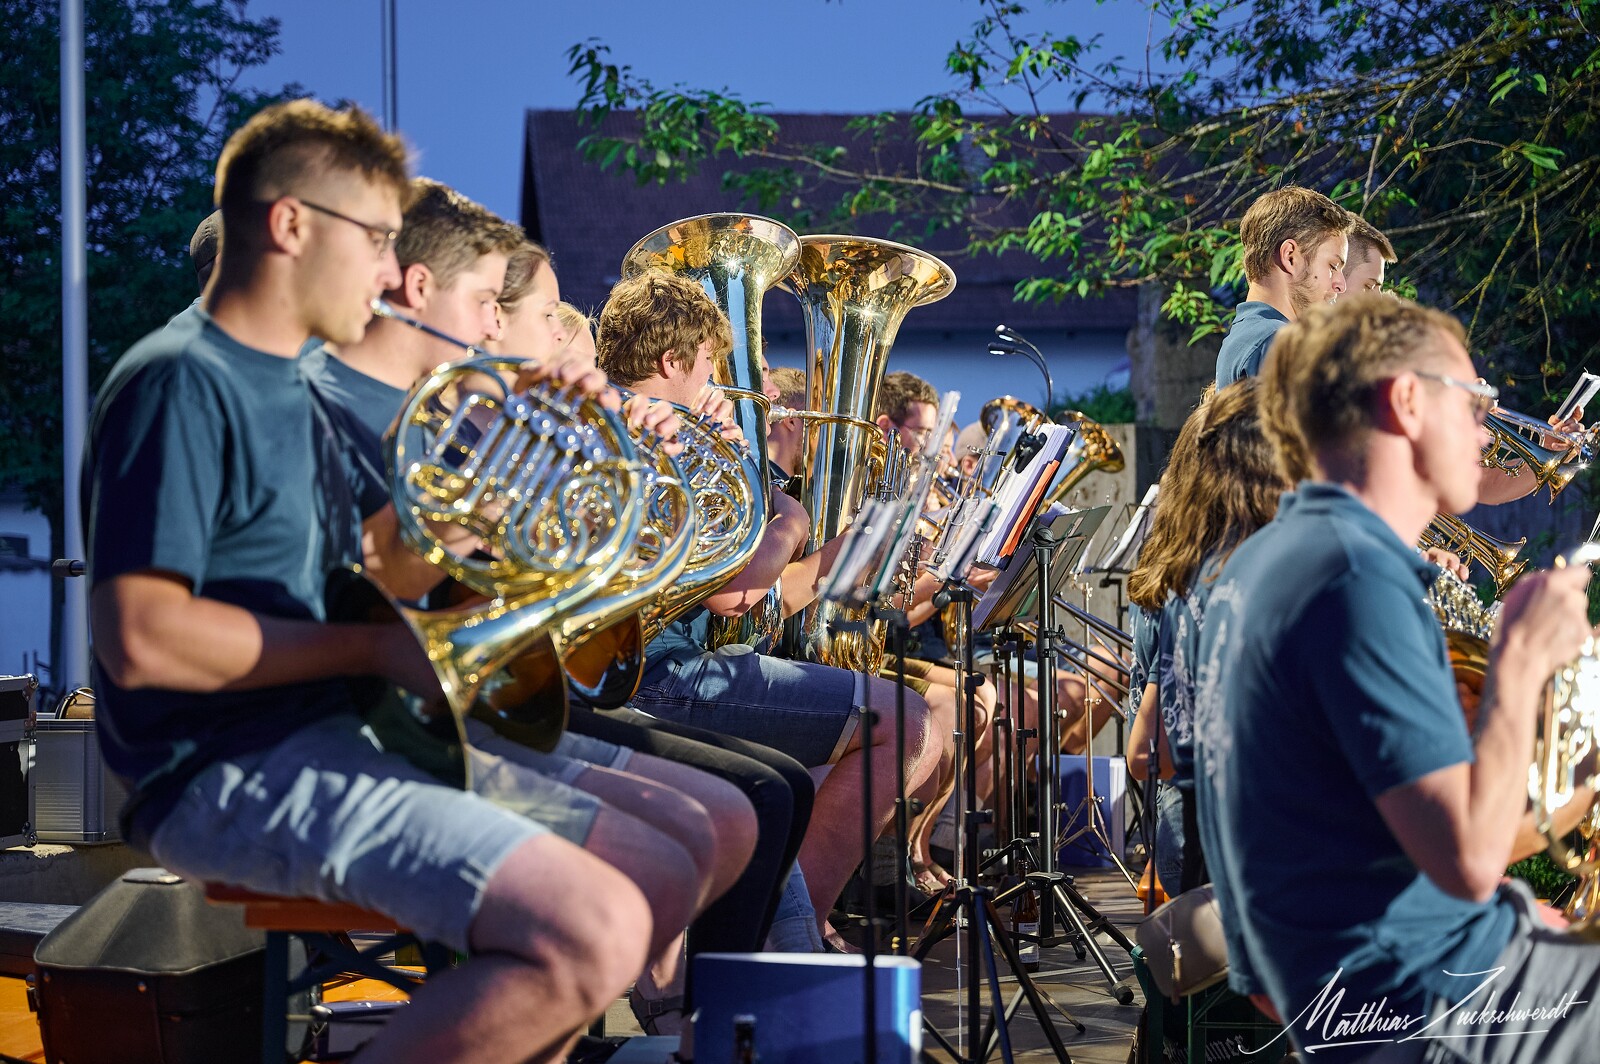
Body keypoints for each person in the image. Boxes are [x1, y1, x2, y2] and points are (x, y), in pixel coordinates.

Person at [85, 99, 656, 1064]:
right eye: (379, 240)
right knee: (591, 925)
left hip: (332, 732)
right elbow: (141, 635)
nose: (396, 274)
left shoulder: (292, 383)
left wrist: (536, 443)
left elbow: (379, 565)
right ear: (293, 224)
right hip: (221, 766)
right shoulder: (183, 378)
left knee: (640, 879)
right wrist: (376, 647)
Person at [1194, 293, 1600, 1064]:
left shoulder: (1269, 561)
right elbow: (1469, 857)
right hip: (1414, 999)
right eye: (1477, 403)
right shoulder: (1355, 577)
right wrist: (1519, 656)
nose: (1486, 430)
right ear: (1408, 401)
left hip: (1362, 980)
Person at [594, 269, 940, 950]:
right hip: (661, 677)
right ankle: (801, 931)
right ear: (673, 361)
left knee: (858, 735)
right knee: (903, 718)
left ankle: (794, 927)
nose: (719, 380)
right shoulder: (656, 437)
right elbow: (735, 593)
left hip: (659, 668)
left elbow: (741, 596)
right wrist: (789, 512)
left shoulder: (627, 425)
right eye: (711, 363)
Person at [1124, 378, 1286, 896]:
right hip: (1235, 867)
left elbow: (1146, 752)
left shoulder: (1186, 577)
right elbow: (1149, 751)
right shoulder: (1236, 584)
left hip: (1199, 850)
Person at [1214, 185, 1352, 386]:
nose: (1341, 284)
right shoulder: (1276, 342)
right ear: (1290, 257)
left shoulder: (1244, 339)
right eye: (1333, 266)